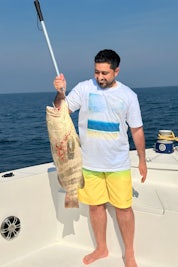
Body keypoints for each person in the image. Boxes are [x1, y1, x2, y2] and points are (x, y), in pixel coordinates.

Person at [53, 49, 147, 267]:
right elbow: (60, 111)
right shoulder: (84, 88)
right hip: (88, 163)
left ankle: (130, 253)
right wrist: (60, 93)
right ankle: (101, 248)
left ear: (116, 71)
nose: (100, 77)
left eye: (105, 73)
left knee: (124, 209)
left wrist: (142, 160)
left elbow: (137, 131)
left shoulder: (128, 96)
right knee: (95, 207)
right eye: (97, 72)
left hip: (118, 164)